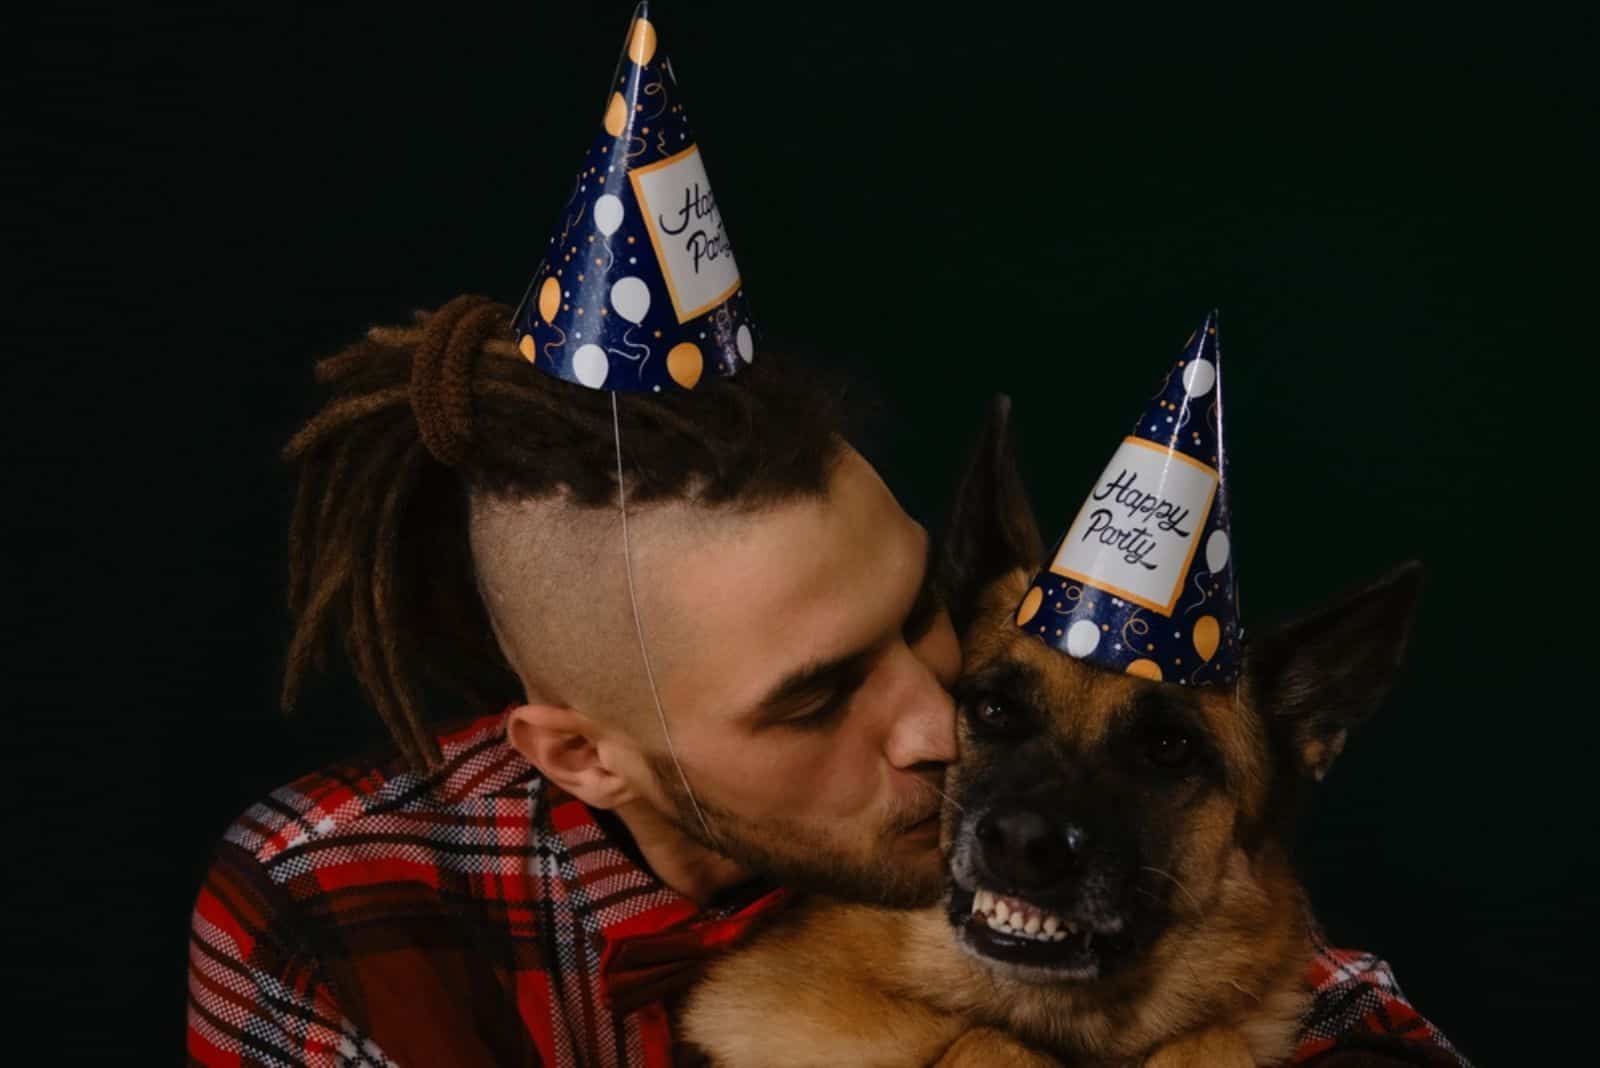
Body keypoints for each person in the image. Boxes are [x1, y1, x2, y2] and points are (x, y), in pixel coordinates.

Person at [186, 6, 1466, 1066]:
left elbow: (1297, 987)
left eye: (918, 621)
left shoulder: (1025, 888)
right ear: (581, 757)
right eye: (813, 700)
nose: (933, 732)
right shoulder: (332, 903)